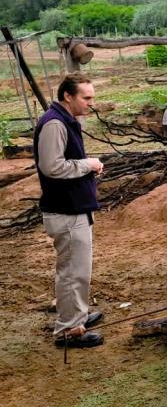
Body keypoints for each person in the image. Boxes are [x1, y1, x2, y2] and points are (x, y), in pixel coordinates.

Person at [34, 74, 105, 348]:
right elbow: (51, 166)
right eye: (86, 97)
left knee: (77, 270)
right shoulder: (54, 123)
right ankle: (68, 329)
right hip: (66, 212)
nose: (91, 103)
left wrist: (87, 169)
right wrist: (87, 165)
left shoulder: (65, 120)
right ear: (68, 96)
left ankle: (77, 315)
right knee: (73, 272)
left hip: (73, 209)